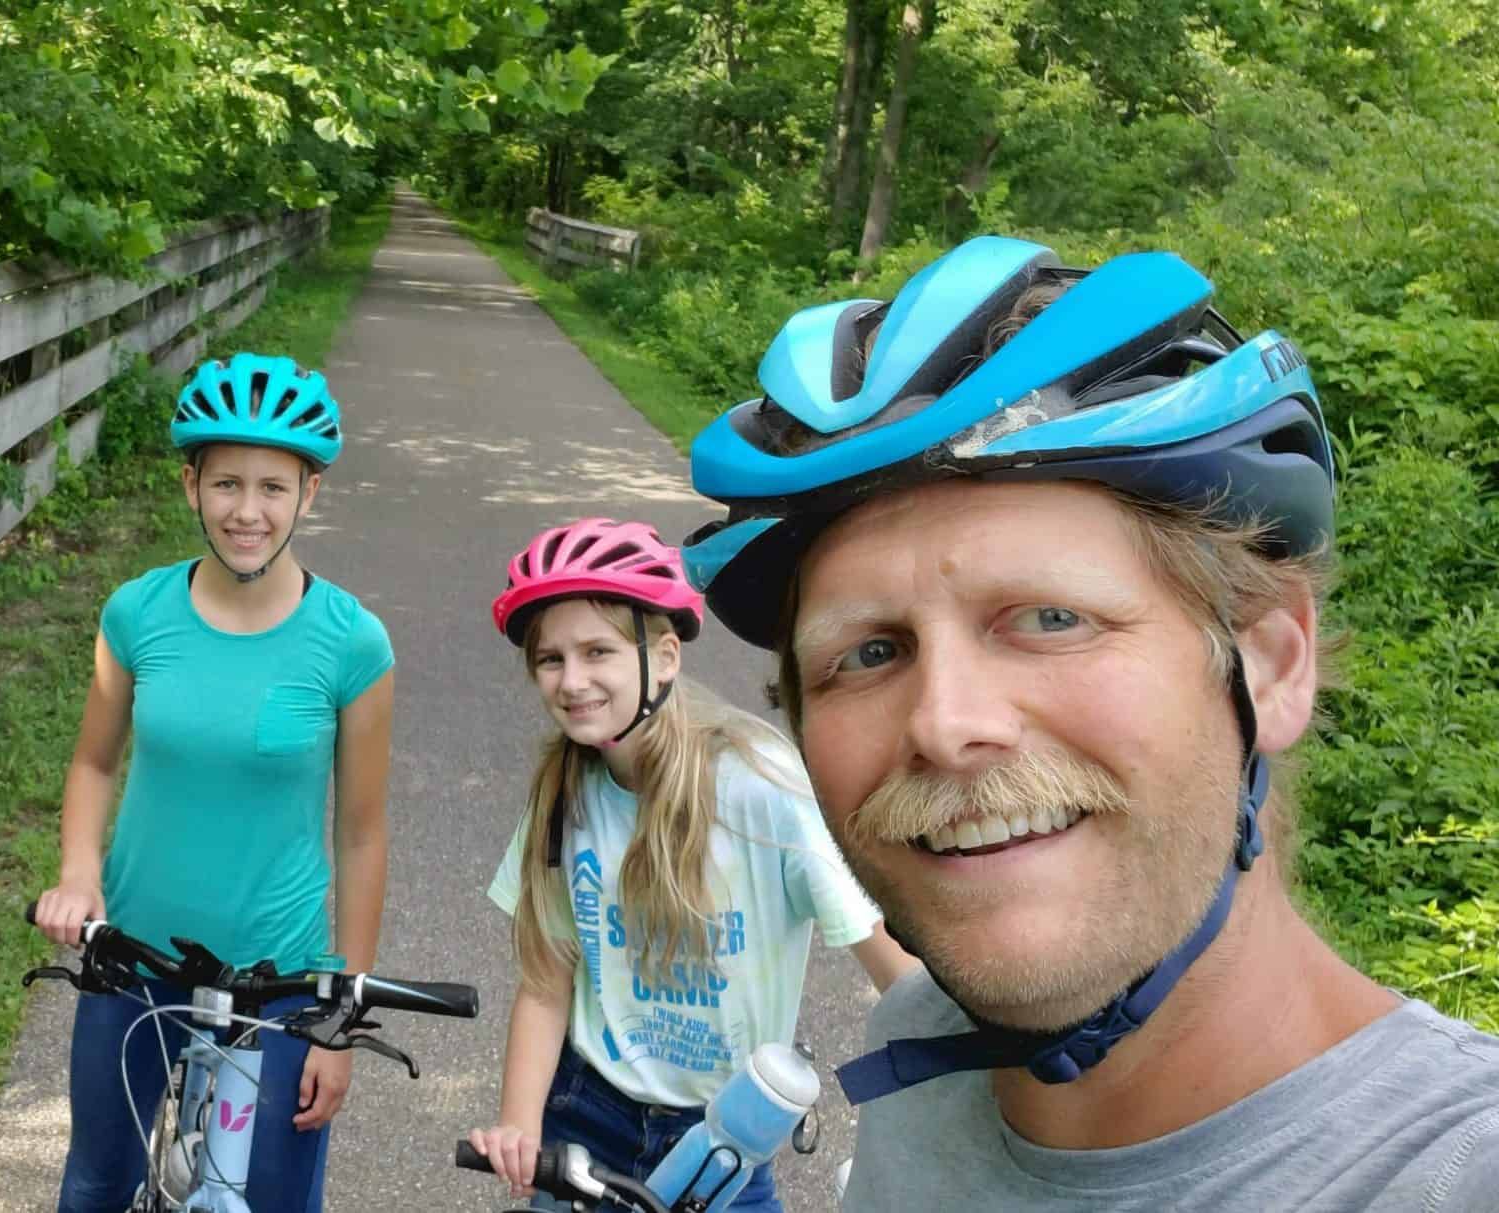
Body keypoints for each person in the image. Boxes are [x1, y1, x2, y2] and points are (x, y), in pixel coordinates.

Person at [682, 234, 1499, 1208]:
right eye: (866, 653)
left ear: (1272, 670)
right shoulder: (917, 1048)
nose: (944, 725)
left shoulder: (1448, 1173)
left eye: (1051, 618)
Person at [31, 352, 395, 1213]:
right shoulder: (137, 614)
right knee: (93, 1184)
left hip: (279, 977)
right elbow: (92, 761)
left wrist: (340, 1011)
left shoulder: (352, 643)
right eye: (226, 483)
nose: (248, 510)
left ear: (310, 494)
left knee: (265, 1197)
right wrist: (80, 871)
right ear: (191, 485)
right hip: (135, 960)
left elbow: (363, 830)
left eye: (274, 486)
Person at [462, 519, 913, 1211]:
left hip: (723, 1136)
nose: (572, 679)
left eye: (597, 651)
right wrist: (520, 1122)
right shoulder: (564, 795)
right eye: (550, 659)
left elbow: (890, 965)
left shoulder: (761, 789)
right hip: (587, 1112)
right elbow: (547, 981)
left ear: (665, 657)